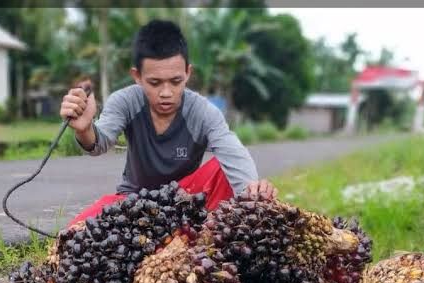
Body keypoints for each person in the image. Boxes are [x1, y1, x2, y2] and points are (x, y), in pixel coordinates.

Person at [60, 20, 277, 227]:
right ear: (137, 76)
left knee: (225, 169)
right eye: (154, 83)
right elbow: (100, 143)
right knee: (74, 232)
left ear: (187, 73)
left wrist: (253, 194)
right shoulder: (124, 101)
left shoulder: (202, 111)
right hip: (133, 203)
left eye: (175, 82)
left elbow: (233, 152)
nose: (166, 93)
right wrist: (85, 129)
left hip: (185, 202)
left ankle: (193, 233)